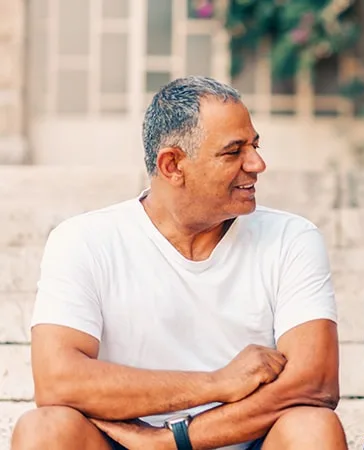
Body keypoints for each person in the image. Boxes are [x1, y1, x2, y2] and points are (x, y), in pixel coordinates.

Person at [11, 76, 346, 450]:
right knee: (44, 430)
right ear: (172, 165)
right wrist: (216, 383)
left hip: (245, 442)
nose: (257, 163)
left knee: (313, 427)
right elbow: (58, 381)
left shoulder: (291, 237)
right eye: (233, 151)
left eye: (255, 145)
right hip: (123, 443)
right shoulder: (83, 240)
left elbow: (314, 382)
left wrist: (174, 439)